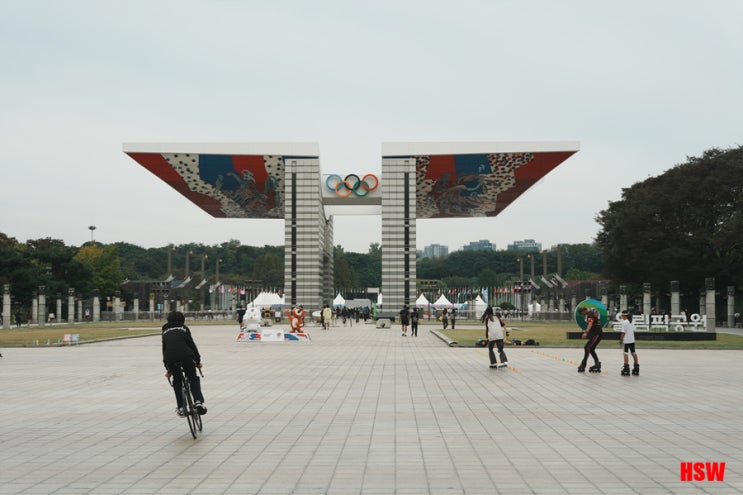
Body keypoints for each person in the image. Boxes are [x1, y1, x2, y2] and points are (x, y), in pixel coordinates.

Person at [162, 311, 207, 416]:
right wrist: (198, 361)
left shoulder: (165, 331)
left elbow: (165, 350)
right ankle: (198, 401)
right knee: (193, 378)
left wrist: (168, 369)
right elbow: (191, 345)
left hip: (171, 359)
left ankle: (181, 407)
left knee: (177, 382)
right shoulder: (184, 329)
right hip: (186, 356)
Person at [578, 307, 603, 373]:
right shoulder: (591, 312)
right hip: (595, 333)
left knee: (587, 347)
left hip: (596, 334)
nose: (582, 314)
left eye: (582, 313)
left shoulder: (590, 314)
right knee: (591, 349)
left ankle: (583, 364)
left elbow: (590, 323)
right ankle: (597, 363)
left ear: (584, 310)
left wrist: (586, 332)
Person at [619, 310, 640, 376]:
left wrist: (621, 339)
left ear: (624, 315)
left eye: (622, 315)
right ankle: (636, 367)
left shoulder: (624, 322)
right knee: (633, 353)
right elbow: (633, 331)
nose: (621, 317)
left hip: (626, 341)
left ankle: (626, 368)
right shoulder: (632, 322)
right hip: (632, 340)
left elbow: (623, 332)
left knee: (625, 354)